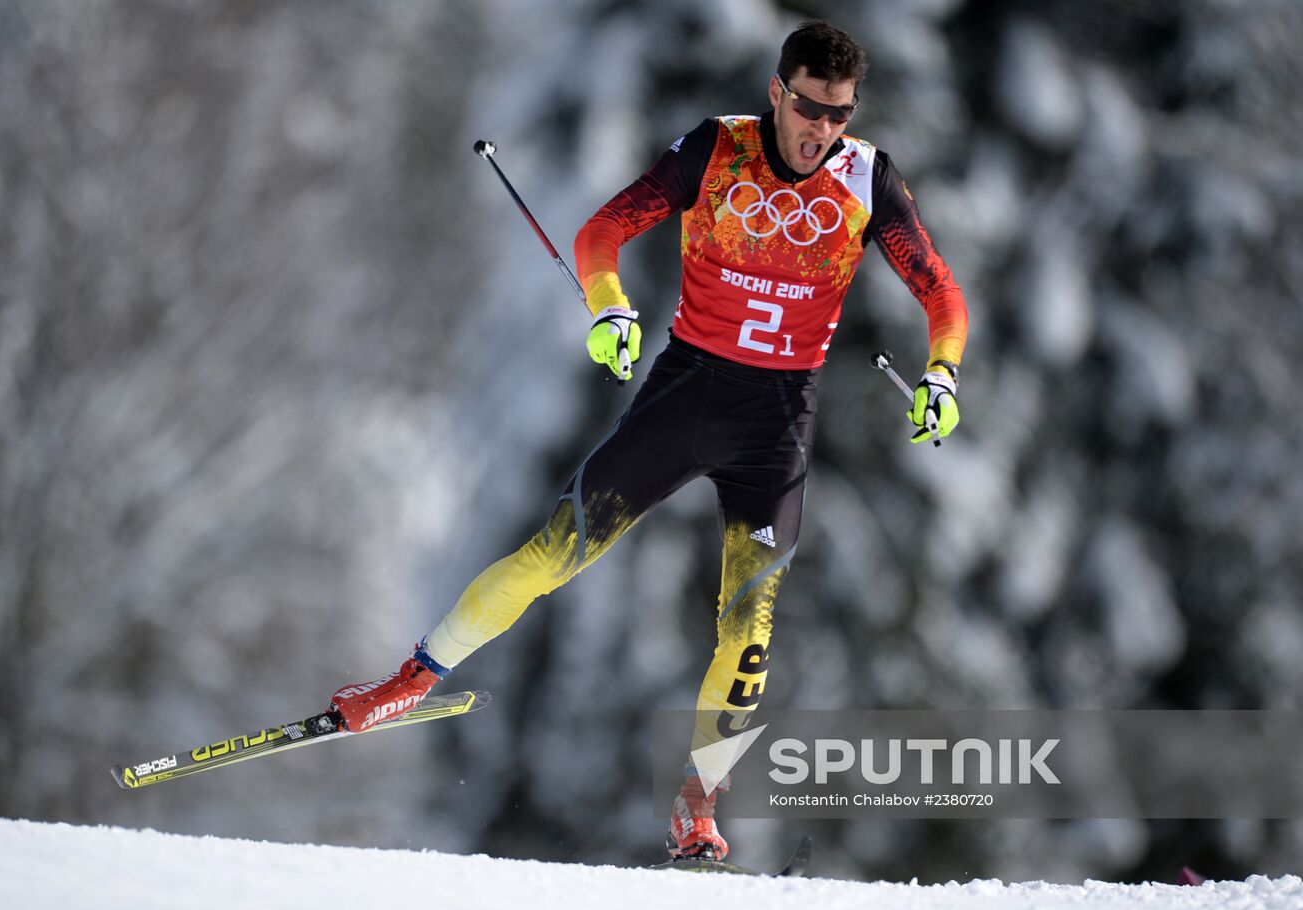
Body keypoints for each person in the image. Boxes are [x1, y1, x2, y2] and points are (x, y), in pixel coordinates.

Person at [328, 20, 968, 862]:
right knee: (553, 555)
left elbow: (941, 293)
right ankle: (408, 683)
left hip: (777, 424)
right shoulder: (717, 149)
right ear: (777, 93)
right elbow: (602, 231)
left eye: (840, 114)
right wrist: (608, 307)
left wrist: (943, 374)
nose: (822, 130)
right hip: (687, 393)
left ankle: (698, 804)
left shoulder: (866, 176)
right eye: (810, 107)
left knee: (749, 633)